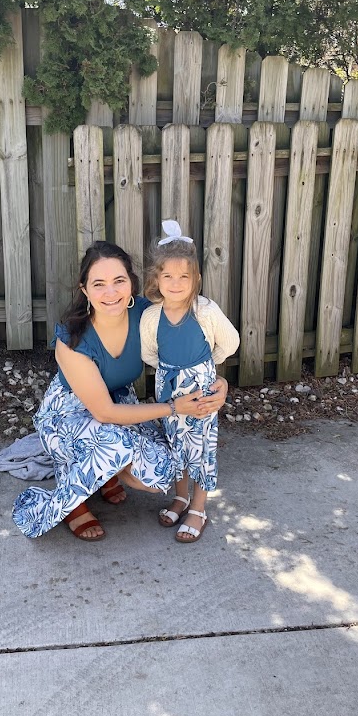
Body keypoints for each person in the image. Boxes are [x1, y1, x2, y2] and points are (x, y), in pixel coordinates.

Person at [12, 241, 228, 541]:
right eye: (99, 284)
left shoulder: (147, 315)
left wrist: (220, 384)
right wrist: (176, 407)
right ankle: (73, 501)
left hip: (120, 404)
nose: (111, 293)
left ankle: (105, 474)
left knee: (163, 469)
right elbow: (103, 412)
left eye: (119, 281)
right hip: (68, 416)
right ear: (84, 289)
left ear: (132, 283)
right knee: (114, 446)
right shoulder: (72, 339)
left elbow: (191, 349)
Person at [140, 221, 240, 543]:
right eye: (167, 276)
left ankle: (199, 506)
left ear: (196, 278)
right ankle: (180, 496)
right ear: (156, 278)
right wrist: (172, 374)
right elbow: (149, 353)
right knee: (175, 445)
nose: (176, 283)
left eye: (184, 276)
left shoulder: (205, 311)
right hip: (168, 386)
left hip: (201, 390)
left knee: (201, 448)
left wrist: (207, 369)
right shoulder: (152, 316)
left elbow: (230, 342)